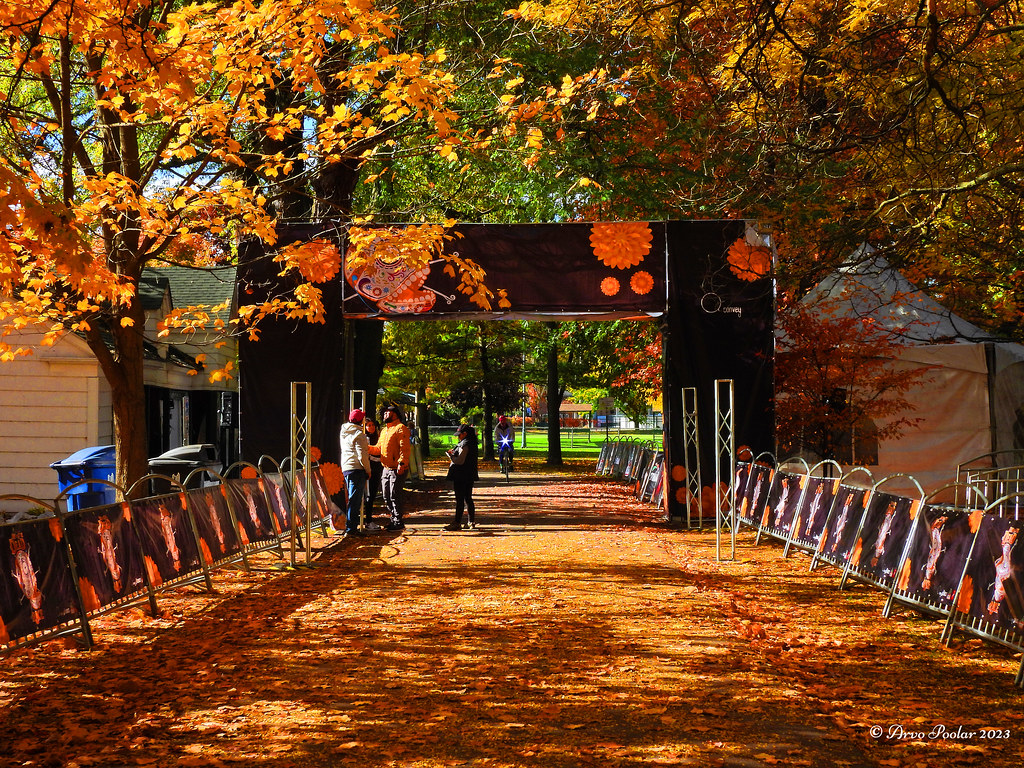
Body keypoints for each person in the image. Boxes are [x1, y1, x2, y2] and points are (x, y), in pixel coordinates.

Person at [368, 404, 412, 530]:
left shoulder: (400, 428)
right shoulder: (384, 431)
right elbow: (378, 449)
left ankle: (398, 520)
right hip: (386, 468)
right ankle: (393, 519)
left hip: (397, 468)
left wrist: (402, 463)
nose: (385, 415)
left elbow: (405, 448)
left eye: (388, 413)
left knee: (394, 494)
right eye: (384, 413)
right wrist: (365, 447)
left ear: (395, 414)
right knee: (386, 496)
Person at [339, 408, 371, 537]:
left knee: (352, 497)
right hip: (357, 468)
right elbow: (362, 455)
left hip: (347, 467)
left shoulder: (343, 432)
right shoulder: (359, 435)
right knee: (355, 499)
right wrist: (368, 470)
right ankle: (351, 528)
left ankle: (351, 526)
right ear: (360, 420)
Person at [443, 424, 479, 531]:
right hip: (470, 474)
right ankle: (471, 521)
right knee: (468, 498)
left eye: (460, 435)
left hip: (460, 474)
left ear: (465, 434)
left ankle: (457, 522)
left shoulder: (465, 444)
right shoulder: (473, 443)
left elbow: (460, 460)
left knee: (459, 499)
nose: (459, 437)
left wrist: (451, 456)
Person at [362, 416, 385, 531]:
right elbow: (366, 453)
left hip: (378, 468)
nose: (371, 427)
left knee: (372, 494)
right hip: (367, 468)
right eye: (368, 425)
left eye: (372, 425)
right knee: (367, 495)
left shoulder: (380, 437)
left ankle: (369, 518)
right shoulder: (364, 438)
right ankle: (367, 520)